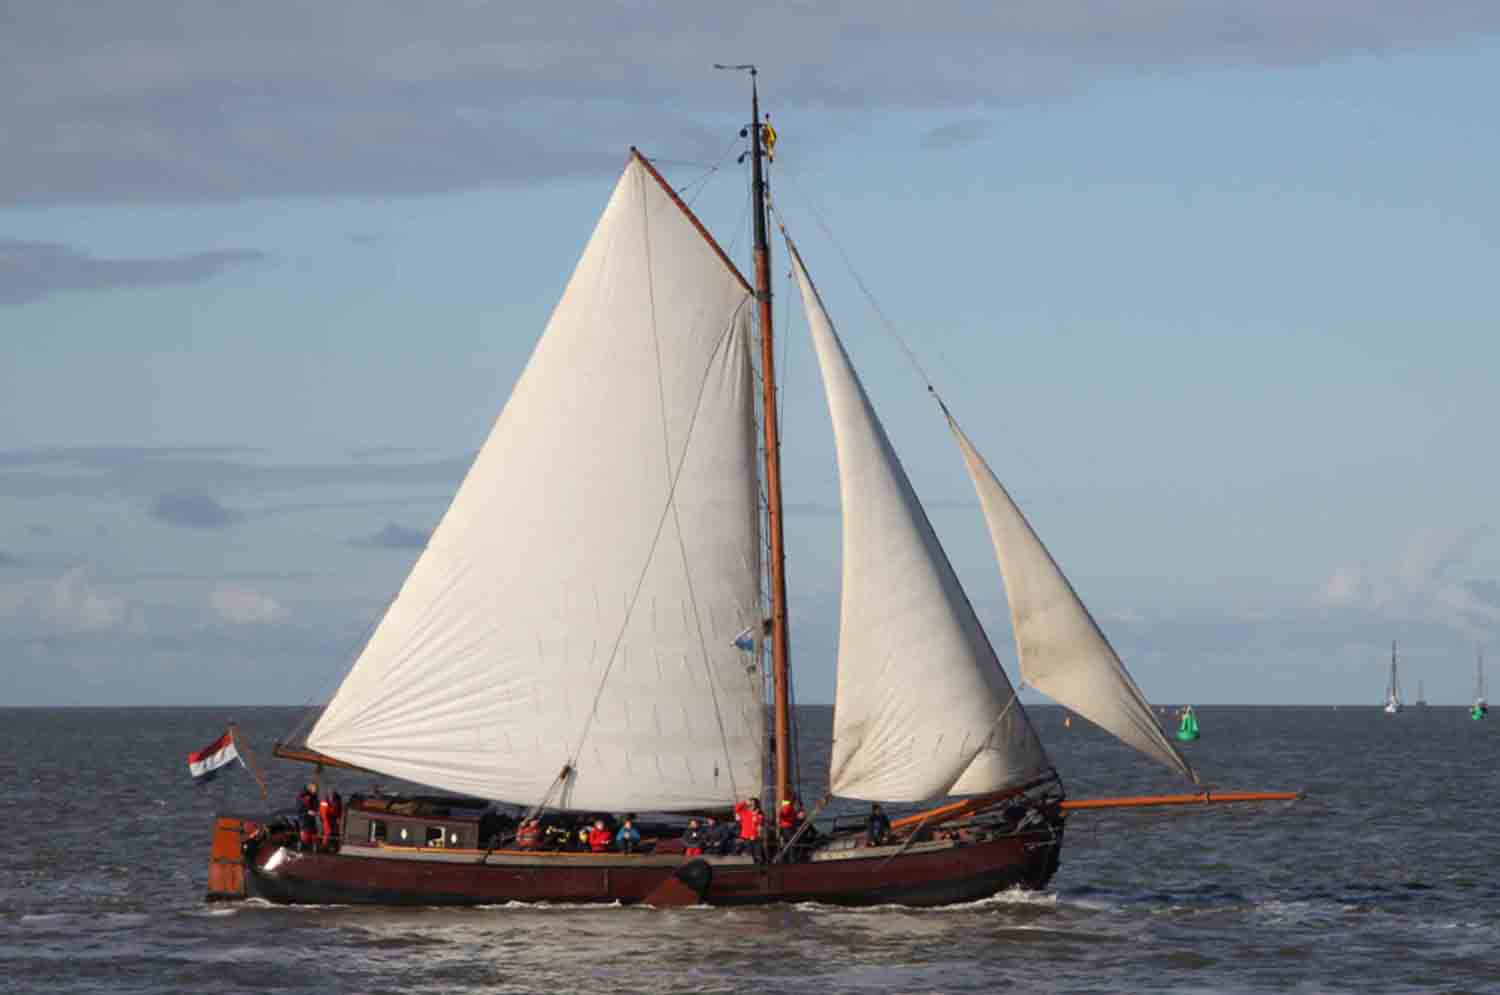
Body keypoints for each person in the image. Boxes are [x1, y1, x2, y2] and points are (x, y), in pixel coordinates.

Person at [734, 796, 765, 863]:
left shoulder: (759, 814)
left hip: (756, 838)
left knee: (758, 855)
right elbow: (736, 809)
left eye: (754, 804)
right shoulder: (744, 812)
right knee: (749, 855)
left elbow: (759, 825)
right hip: (746, 837)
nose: (752, 806)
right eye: (750, 804)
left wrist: (756, 816)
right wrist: (744, 802)